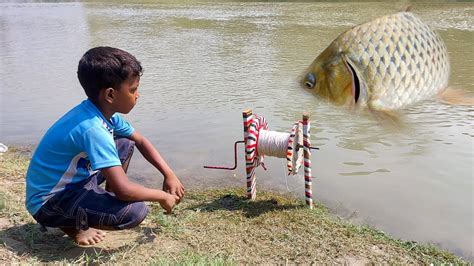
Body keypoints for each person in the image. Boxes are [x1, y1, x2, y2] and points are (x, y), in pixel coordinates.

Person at [25, 46, 184, 246]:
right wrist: (162, 196)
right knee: (135, 212)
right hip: (48, 203)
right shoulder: (93, 129)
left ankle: (104, 200)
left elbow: (141, 140)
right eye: (133, 89)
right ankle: (73, 226)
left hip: (74, 184)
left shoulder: (103, 114)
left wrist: (169, 174)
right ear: (110, 95)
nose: (138, 95)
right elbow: (125, 191)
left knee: (125, 143)